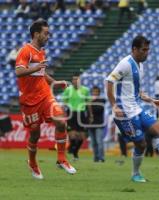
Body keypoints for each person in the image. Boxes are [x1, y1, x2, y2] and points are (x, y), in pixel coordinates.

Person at [106, 35, 159, 182]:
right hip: (125, 113)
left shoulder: (140, 66)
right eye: (143, 50)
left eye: (148, 50)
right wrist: (114, 105)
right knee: (141, 144)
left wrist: (152, 100)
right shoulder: (125, 64)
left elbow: (136, 90)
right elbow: (109, 82)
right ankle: (135, 174)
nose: (146, 53)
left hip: (137, 108)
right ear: (134, 49)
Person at [15, 19, 76, 179]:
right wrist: (34, 67)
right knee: (35, 135)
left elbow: (41, 74)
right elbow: (19, 72)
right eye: (46, 33)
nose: (48, 36)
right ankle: (33, 163)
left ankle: (62, 159)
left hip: (45, 95)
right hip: (29, 102)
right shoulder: (25, 51)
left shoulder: (41, 52)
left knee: (61, 121)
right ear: (36, 34)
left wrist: (55, 82)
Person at [63, 73, 90, 161]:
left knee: (82, 136)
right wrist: (64, 112)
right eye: (74, 79)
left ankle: (75, 151)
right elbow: (65, 102)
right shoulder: (68, 90)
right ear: (72, 81)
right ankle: (73, 151)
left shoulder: (85, 90)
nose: (75, 81)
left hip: (81, 113)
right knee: (72, 135)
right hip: (71, 113)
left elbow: (88, 103)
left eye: (77, 79)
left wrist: (90, 114)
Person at [88, 86, 106, 162]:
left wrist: (90, 103)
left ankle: (101, 158)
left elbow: (98, 110)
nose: (94, 93)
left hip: (99, 124)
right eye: (93, 92)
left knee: (99, 141)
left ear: (99, 93)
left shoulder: (102, 100)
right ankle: (96, 157)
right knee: (93, 143)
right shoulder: (88, 101)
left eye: (96, 92)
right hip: (90, 124)